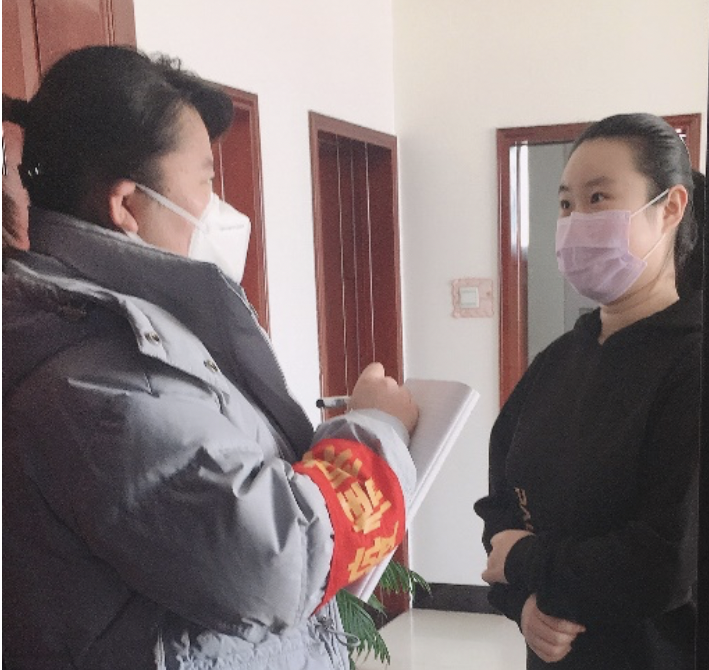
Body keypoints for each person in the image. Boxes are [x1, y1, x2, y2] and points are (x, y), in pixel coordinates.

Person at [2, 46, 418, 670]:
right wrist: (376, 429)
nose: (220, 206)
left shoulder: (131, 333)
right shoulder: (99, 382)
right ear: (127, 205)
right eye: (205, 179)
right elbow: (275, 564)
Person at [475, 113, 702, 669]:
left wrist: (525, 564)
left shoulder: (697, 364)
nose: (576, 220)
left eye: (598, 198)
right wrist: (522, 605)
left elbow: (664, 563)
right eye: (566, 203)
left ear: (670, 208)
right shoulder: (556, 361)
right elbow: (501, 505)